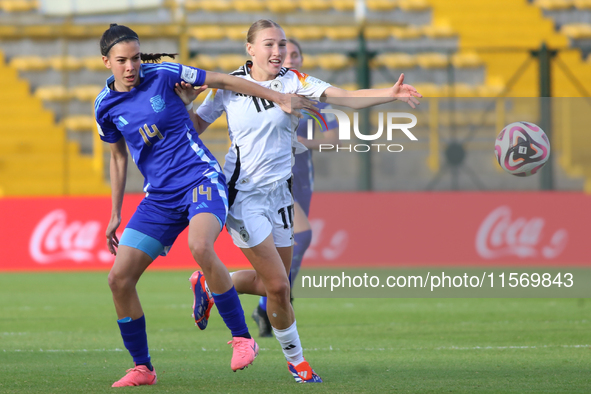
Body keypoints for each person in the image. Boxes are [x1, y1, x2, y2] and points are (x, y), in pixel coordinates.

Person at [176, 19, 421, 383]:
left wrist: (391, 93)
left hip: (281, 195)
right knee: (277, 286)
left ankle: (212, 284)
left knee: (275, 285)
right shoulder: (228, 85)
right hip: (244, 196)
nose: (277, 52)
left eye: (281, 44)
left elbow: (347, 98)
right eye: (269, 45)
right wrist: (182, 105)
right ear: (251, 50)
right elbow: (192, 128)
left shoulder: (296, 80)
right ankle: (298, 362)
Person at [94, 23, 315, 387]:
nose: (131, 67)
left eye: (135, 58)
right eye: (122, 61)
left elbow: (224, 82)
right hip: (160, 196)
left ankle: (242, 339)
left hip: (201, 179)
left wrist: (276, 97)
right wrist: (115, 212)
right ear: (106, 62)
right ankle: (143, 368)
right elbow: (118, 157)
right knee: (118, 279)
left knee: (200, 244)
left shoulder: (164, 73)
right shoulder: (105, 105)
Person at [250, 38, 339, 338]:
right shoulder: (264, 90)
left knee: (290, 244)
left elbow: (335, 139)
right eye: (286, 54)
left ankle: (270, 304)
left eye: (296, 54)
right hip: (273, 178)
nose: (291, 58)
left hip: (302, 176)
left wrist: (304, 143)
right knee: (300, 235)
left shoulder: (312, 94)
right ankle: (273, 300)